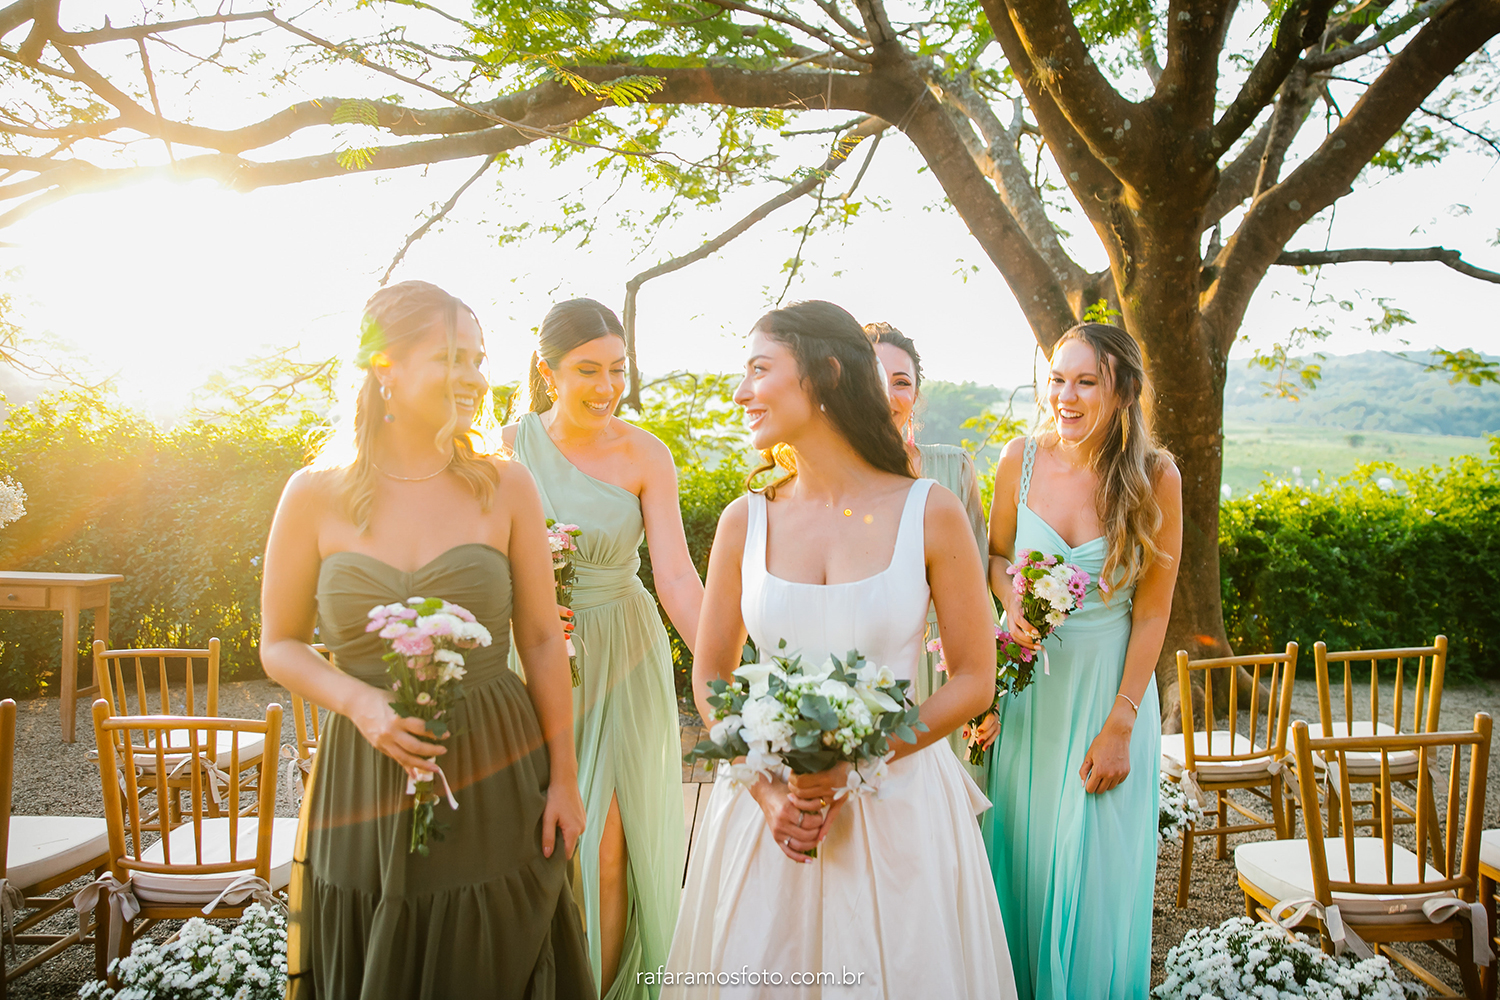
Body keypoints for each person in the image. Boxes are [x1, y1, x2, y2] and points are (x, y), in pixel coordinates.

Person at [666, 301, 1015, 999]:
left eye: (760, 370)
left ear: (824, 376)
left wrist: (861, 758)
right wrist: (769, 791)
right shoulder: (745, 520)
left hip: (900, 811)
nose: (741, 393)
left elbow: (976, 678)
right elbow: (711, 675)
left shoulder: (931, 510)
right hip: (768, 817)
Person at [259, 280, 594, 999]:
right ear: (385, 367)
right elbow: (278, 644)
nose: (474, 377)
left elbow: (538, 639)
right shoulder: (312, 494)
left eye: (478, 358)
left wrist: (564, 777)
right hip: (361, 774)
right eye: (451, 357)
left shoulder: (504, 486)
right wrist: (361, 705)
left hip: (494, 766)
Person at [503, 298, 700, 1000]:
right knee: (550, 848)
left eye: (617, 370)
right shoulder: (506, 447)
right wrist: (514, 605)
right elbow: (474, 565)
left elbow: (675, 575)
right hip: (533, 664)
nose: (607, 387)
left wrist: (726, 670)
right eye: (588, 370)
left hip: (625, 653)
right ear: (547, 369)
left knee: (611, 845)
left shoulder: (646, 453)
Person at [979, 322, 1182, 999]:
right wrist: (1012, 591)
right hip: (1029, 697)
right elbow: (994, 556)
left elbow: (1152, 612)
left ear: (1121, 389)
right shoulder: (1020, 459)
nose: (1064, 396)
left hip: (1107, 698)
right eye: (1056, 378)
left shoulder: (1157, 477)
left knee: (1094, 887)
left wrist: (1122, 724)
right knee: (1022, 868)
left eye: (1084, 382)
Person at [866, 322, 993, 783]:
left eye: (902, 382)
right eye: (874, 378)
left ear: (916, 396)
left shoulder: (953, 469)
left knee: (960, 811)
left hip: (952, 668)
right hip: (876, 673)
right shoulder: (838, 486)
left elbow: (979, 583)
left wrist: (988, 694)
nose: (888, 393)